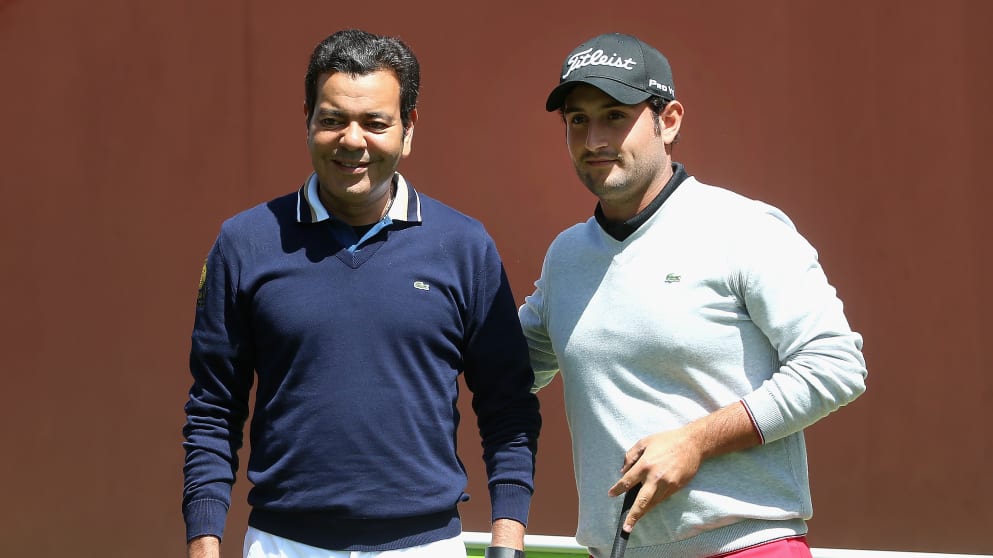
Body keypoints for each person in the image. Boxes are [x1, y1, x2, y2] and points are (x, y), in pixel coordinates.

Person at [182, 29, 540, 558]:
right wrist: (204, 542)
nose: (352, 141)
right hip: (283, 546)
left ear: (408, 128)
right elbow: (214, 408)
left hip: (425, 546)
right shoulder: (245, 242)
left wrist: (508, 541)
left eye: (375, 122)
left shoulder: (464, 246)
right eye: (332, 120)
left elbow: (508, 405)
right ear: (307, 120)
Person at [519, 32, 867, 558]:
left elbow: (836, 365)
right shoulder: (566, 256)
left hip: (747, 547)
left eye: (615, 116)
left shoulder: (743, 227)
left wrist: (695, 440)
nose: (593, 140)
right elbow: (507, 365)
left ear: (670, 120)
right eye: (578, 120)